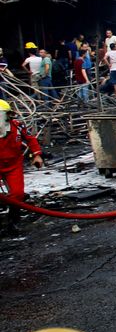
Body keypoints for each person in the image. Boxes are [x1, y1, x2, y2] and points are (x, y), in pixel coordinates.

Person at [0, 99, 43, 235]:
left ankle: (13, 222)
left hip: (13, 165)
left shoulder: (17, 126)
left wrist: (37, 155)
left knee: (17, 194)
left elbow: (30, 138)